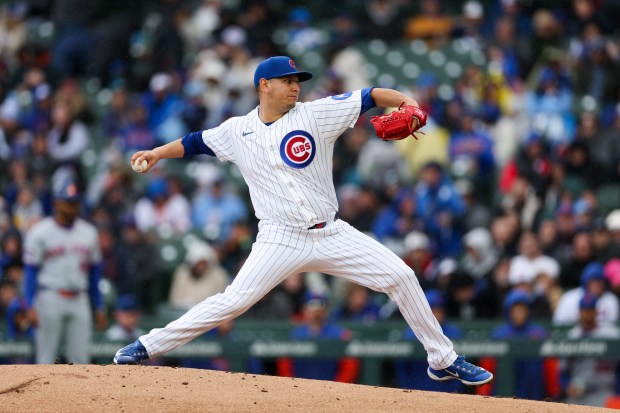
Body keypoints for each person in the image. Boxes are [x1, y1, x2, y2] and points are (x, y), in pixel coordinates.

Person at [113, 56, 493, 386]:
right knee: (232, 301)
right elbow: (195, 141)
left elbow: (371, 95)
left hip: (331, 232)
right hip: (280, 238)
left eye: (298, 81)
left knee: (402, 276)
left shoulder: (315, 114)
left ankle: (442, 360)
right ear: (264, 85)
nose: (296, 87)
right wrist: (159, 153)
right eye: (288, 81)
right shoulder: (236, 130)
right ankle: (147, 345)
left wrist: (407, 101)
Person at [22, 179, 107, 364]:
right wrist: (30, 305)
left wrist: (98, 306)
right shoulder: (39, 232)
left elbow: (94, 273)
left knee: (81, 360)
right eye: (68, 202)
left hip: (80, 299)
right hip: (50, 297)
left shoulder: (89, 232)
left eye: (75, 202)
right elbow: (30, 272)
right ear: (56, 203)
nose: (72, 206)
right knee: (46, 358)